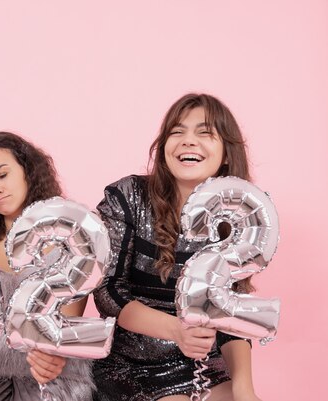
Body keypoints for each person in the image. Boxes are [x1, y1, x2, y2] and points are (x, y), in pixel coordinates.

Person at [92, 94, 262, 401]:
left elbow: (230, 312)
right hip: (132, 364)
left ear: (226, 153)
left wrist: (244, 387)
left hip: (202, 363)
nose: (188, 141)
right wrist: (176, 331)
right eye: (177, 131)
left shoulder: (239, 216)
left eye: (204, 133)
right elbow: (108, 292)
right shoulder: (127, 198)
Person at [0, 132, 95, 401]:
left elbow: (60, 333)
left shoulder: (71, 238)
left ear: (27, 169)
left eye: (2, 175)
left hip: (55, 376)